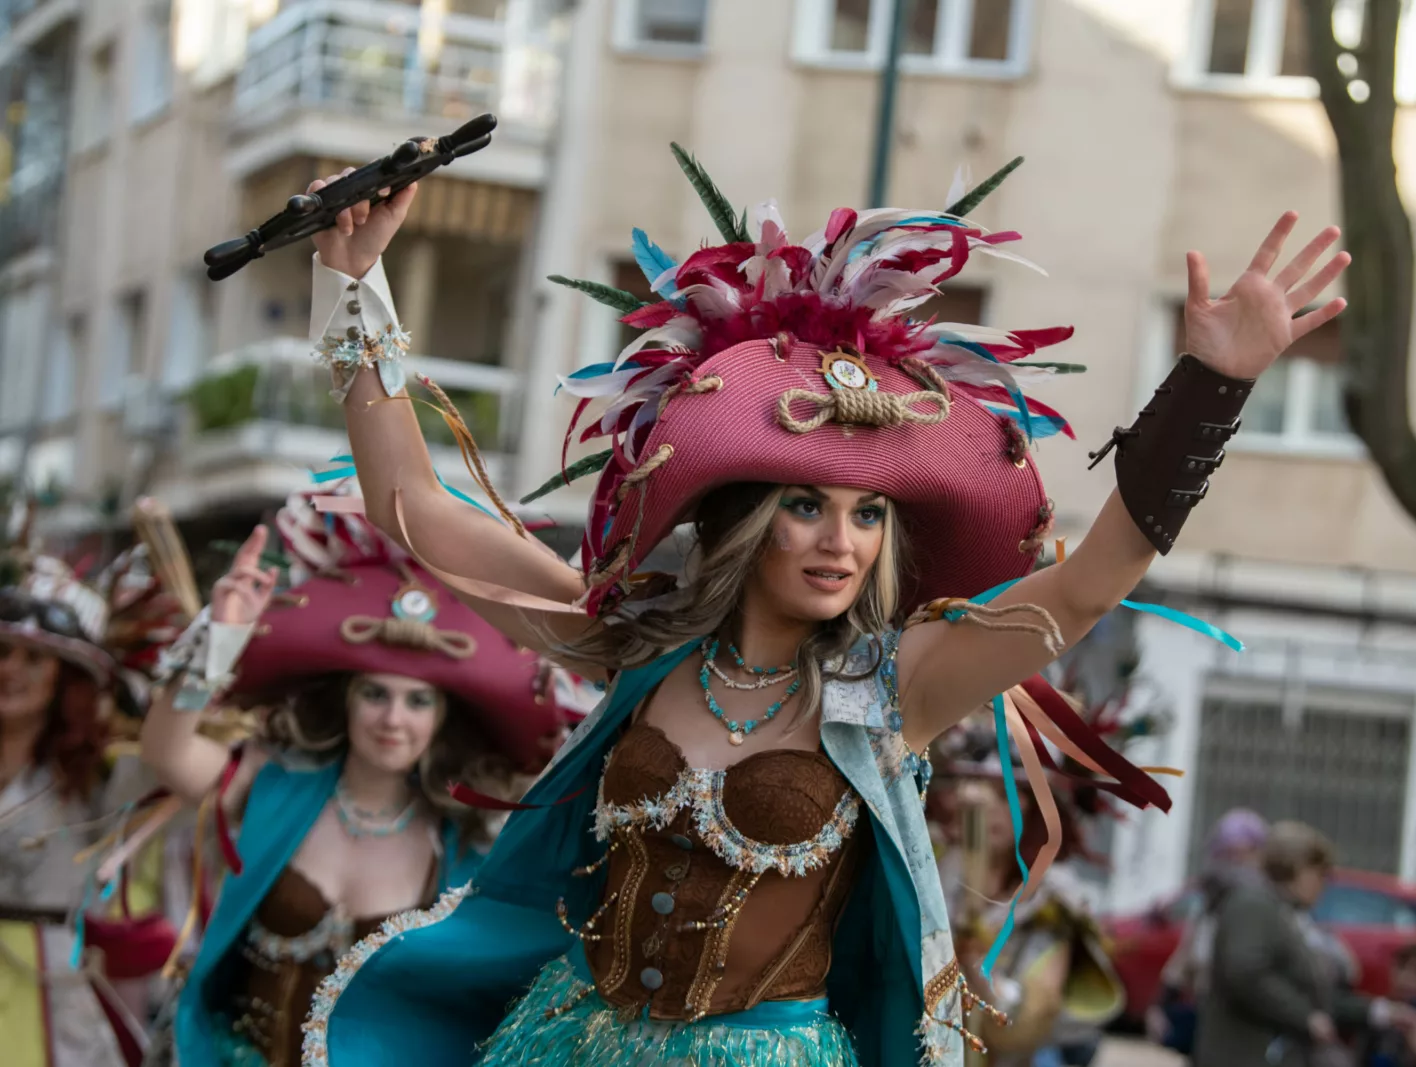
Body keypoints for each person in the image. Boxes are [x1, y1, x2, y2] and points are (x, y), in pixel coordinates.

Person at [298, 148, 1350, 1067]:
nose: (841, 541)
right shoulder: (640, 644)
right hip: (566, 1038)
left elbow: (1087, 583)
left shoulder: (897, 687)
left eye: (867, 514)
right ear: (747, 519)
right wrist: (351, 282)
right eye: (805, 506)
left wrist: (1211, 387)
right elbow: (413, 508)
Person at [137, 495, 579, 1067]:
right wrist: (217, 643)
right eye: (375, 694)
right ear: (345, 700)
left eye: (418, 701)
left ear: (443, 718)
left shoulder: (468, 839)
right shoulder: (276, 785)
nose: (393, 719)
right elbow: (168, 754)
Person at [0, 543, 176, 1066]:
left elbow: (184, 763)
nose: (11, 670)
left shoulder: (102, 775)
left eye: (35, 658)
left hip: (50, 993)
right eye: (2, 651)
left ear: (66, 680)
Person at [934, 711, 1128, 1067]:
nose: (986, 807)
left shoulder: (1050, 905)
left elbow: (1024, 1026)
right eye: (977, 789)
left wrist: (975, 968)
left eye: (1006, 794)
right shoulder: (926, 877)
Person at [1196, 821, 1401, 1067]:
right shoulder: (1253, 904)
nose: (1323, 885)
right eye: (1320, 874)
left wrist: (1375, 1011)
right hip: (1245, 1054)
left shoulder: (1284, 911)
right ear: (1297, 868)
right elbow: (1245, 972)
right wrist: (1304, 1017)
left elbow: (1307, 990)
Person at [1145, 806, 1270, 1054]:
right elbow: (1185, 961)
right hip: (1210, 1017)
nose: (1233, 862)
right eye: (1226, 853)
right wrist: (1159, 1007)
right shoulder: (1209, 906)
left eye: (1241, 853)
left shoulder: (1269, 906)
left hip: (1251, 1024)